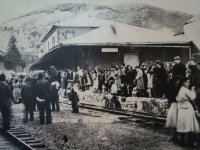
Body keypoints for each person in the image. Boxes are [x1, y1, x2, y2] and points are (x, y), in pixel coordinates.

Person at [176, 77, 199, 147]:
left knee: (182, 126)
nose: (188, 84)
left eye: (188, 82)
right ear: (183, 83)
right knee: (190, 126)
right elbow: (192, 99)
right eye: (187, 82)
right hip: (187, 109)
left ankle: (182, 142)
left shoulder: (179, 90)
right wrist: (196, 107)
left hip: (181, 109)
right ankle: (190, 143)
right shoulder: (186, 90)